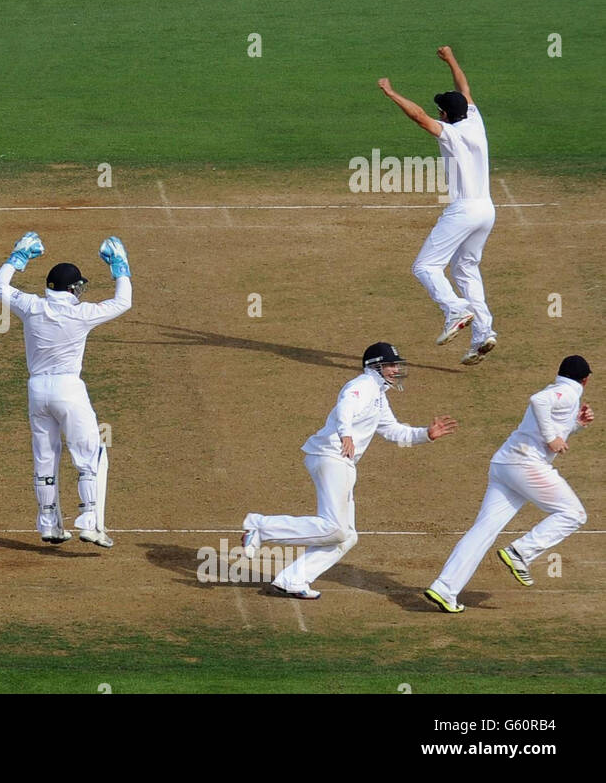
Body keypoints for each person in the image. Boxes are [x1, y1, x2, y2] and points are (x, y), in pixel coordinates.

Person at [242, 343, 458, 599]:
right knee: (335, 528)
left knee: (346, 537)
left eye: (397, 365)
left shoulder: (378, 395)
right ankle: (261, 527)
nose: (396, 369)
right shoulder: (363, 386)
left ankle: (292, 580)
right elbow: (345, 405)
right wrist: (346, 434)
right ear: (375, 367)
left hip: (338, 460)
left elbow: (393, 430)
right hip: (333, 456)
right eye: (390, 365)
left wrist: (426, 435)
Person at [0, 233, 132, 548]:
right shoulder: (81, 314)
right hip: (69, 389)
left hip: (37, 390)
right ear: (72, 289)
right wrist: (120, 268)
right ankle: (89, 523)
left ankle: (49, 525)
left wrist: (18, 258)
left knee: (45, 457)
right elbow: (124, 302)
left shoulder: (31, 306)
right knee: (89, 455)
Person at [424, 356, 594, 613]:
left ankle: (444, 589)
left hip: (505, 465)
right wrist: (551, 438)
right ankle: (521, 553)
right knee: (574, 514)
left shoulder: (559, 390)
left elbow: (546, 419)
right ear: (586, 380)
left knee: (483, 531)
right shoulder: (568, 393)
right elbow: (538, 402)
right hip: (527, 465)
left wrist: (576, 425)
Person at [378, 46, 497, 365]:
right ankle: (483, 331)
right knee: (466, 268)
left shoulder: (451, 134)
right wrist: (451, 59)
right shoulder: (474, 120)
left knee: (425, 266)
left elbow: (418, 116)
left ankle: (455, 309)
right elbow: (465, 89)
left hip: (464, 210)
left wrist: (391, 93)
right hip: (486, 210)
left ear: (445, 114)